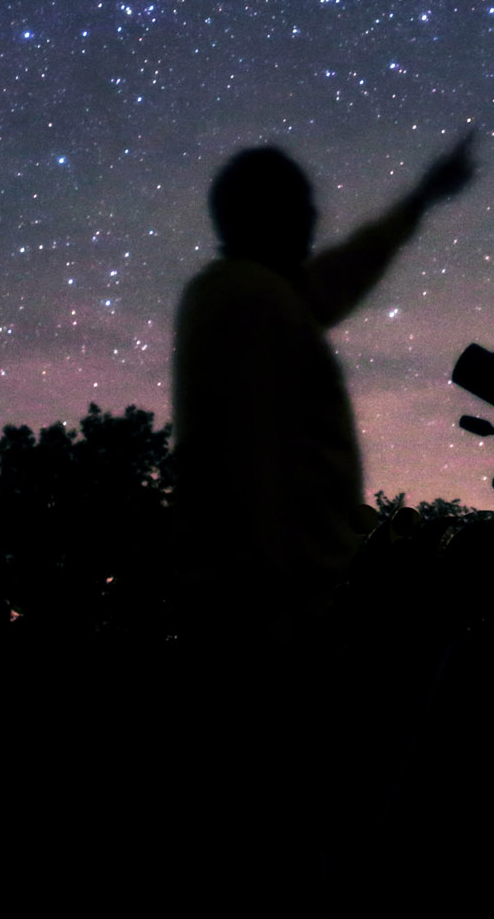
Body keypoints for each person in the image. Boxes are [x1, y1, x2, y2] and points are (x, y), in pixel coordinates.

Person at [170, 133, 476, 614]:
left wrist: (420, 200)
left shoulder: (258, 293)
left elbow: (341, 273)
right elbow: (250, 466)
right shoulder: (246, 298)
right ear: (264, 211)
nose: (315, 218)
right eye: (301, 204)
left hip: (284, 597)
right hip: (276, 607)